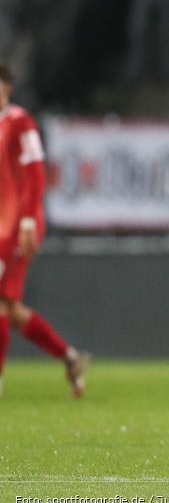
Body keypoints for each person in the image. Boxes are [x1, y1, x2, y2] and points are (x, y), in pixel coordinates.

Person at [0, 64, 90, 397]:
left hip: (17, 226)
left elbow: (36, 174)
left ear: (7, 87)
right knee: (11, 310)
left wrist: (28, 221)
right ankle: (70, 358)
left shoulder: (20, 123)